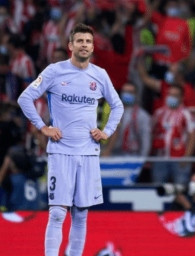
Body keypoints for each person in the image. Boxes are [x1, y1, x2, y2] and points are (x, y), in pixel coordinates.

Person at [17, 23, 124, 256]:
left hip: (88, 152)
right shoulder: (54, 71)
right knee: (57, 213)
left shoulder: (100, 75)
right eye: (80, 41)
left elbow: (117, 105)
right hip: (61, 151)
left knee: (81, 213)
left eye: (88, 41)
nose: (84, 45)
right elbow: (25, 98)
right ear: (70, 45)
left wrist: (106, 131)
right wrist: (43, 127)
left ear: (92, 47)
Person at [151, 85, 195, 184]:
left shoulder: (187, 114)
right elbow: (151, 133)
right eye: (170, 94)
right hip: (160, 158)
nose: (171, 97)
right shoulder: (159, 113)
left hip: (179, 159)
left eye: (175, 95)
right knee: (158, 188)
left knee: (180, 189)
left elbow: (193, 136)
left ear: (181, 98)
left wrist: (187, 157)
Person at [102, 82, 151, 157]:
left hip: (133, 155)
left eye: (130, 92)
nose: (127, 94)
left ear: (136, 94)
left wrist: (142, 159)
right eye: (125, 91)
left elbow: (145, 139)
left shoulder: (143, 116)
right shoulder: (111, 111)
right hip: (112, 154)